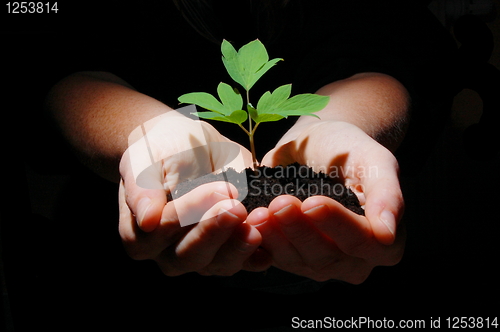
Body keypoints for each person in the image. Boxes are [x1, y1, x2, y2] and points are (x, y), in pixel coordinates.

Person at [44, 0, 457, 289]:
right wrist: (147, 132)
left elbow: (385, 44)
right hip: (127, 286)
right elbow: (64, 63)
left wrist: (344, 123)